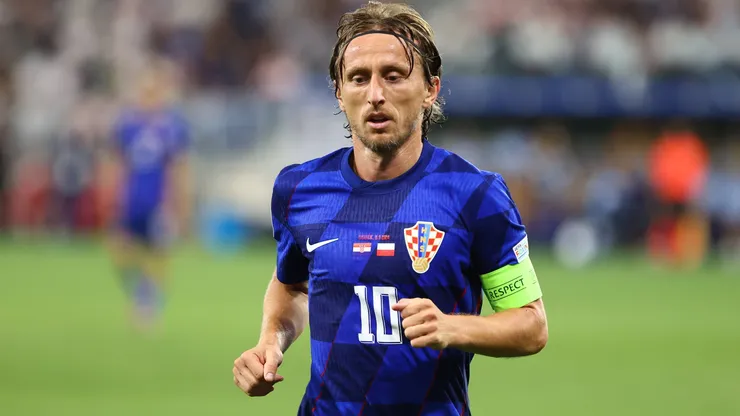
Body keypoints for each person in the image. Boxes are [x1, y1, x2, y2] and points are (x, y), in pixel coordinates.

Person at [233, 2, 548, 414]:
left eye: (393, 76)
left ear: (430, 89)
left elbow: (531, 324)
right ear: (339, 92)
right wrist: (269, 343)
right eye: (358, 78)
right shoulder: (299, 189)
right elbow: (292, 286)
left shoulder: (476, 194)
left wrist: (452, 327)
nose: (375, 95)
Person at [105, 67, 191, 332]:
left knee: (158, 254)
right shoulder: (127, 126)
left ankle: (150, 308)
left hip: (158, 203)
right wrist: (112, 195)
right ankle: (142, 294)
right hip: (132, 201)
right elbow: (117, 164)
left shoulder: (172, 128)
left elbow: (180, 169)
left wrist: (181, 205)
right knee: (119, 251)